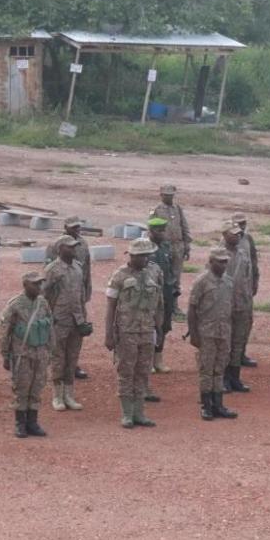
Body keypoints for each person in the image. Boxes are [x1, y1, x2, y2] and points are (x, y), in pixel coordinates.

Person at [105, 237, 164, 429]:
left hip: (146, 331)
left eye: (147, 256)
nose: (144, 259)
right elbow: (111, 307)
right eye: (140, 256)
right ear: (131, 255)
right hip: (126, 332)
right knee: (126, 372)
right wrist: (109, 334)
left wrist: (159, 328)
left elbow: (158, 304)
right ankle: (127, 414)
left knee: (143, 372)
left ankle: (140, 413)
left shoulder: (153, 274)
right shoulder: (119, 276)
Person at [0, 271, 54, 438]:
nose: (39, 287)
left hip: (40, 352)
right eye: (35, 284)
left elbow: (49, 326)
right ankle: (20, 423)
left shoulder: (43, 303)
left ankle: (33, 422)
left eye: (40, 284)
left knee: (37, 387)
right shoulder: (15, 304)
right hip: (22, 354)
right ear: (25, 285)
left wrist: (51, 349)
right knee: (22, 388)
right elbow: (5, 330)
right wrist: (5, 354)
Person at [187, 248, 237, 421]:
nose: (223, 264)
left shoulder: (229, 282)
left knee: (219, 368)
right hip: (206, 332)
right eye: (220, 261)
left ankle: (219, 404)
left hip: (224, 332)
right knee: (206, 369)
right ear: (211, 261)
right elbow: (192, 309)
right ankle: (206, 406)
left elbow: (231, 308)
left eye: (225, 261)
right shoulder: (201, 281)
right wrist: (194, 334)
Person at [43, 235, 87, 411]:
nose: (73, 249)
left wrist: (84, 317)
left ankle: (69, 394)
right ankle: (57, 395)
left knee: (72, 357)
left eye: (74, 246)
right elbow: (44, 296)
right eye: (69, 247)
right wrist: (47, 318)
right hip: (58, 319)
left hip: (76, 319)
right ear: (60, 249)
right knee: (58, 358)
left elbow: (81, 295)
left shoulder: (78, 268)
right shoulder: (52, 270)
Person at [45, 216, 92, 380]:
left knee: (76, 336)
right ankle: (57, 372)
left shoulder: (83, 244)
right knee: (59, 341)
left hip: (77, 293)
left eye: (78, 226)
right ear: (65, 227)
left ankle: (73, 366)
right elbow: (48, 283)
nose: (76, 229)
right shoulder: (55, 246)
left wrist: (86, 292)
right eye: (73, 227)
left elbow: (87, 268)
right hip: (60, 301)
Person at [220, 221, 253, 394]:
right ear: (224, 235)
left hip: (242, 304)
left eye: (239, 233)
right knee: (226, 343)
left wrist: (248, 301)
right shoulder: (219, 256)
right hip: (225, 306)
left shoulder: (243, 254)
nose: (238, 236)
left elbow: (248, 279)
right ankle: (223, 378)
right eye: (233, 233)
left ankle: (235, 377)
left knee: (238, 342)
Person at [145, 217, 177, 396]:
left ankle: (158, 359)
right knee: (150, 327)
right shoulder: (144, 248)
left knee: (164, 326)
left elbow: (170, 269)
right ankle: (148, 361)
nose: (161, 233)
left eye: (163, 230)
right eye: (158, 230)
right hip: (150, 293)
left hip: (166, 291)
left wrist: (174, 288)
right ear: (150, 230)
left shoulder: (165, 247)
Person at [151, 184, 191, 312]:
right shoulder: (156, 210)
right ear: (161, 195)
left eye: (171, 195)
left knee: (176, 278)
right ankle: (163, 305)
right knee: (164, 276)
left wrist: (187, 245)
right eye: (166, 195)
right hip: (164, 247)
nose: (169, 197)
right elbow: (151, 229)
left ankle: (174, 306)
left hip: (178, 246)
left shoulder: (178, 209)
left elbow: (184, 226)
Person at [231, 211, 260, 367]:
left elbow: (253, 261)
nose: (241, 227)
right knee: (232, 326)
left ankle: (241, 354)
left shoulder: (248, 239)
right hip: (232, 291)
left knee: (246, 322)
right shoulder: (226, 242)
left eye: (243, 223)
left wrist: (255, 281)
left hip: (246, 289)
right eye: (237, 224)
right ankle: (232, 358)